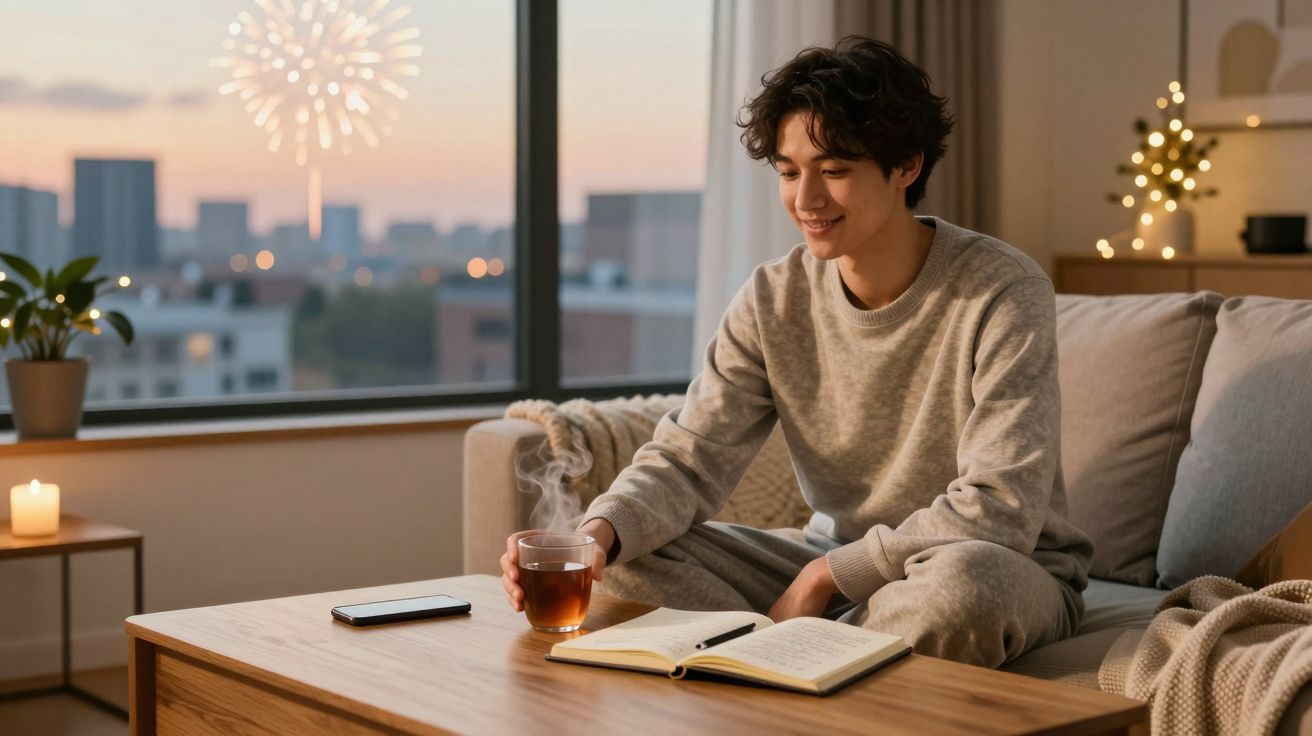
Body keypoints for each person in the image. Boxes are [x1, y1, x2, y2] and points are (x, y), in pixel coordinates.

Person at [500, 36, 1094, 667]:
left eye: (833, 171)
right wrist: (593, 538)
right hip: (828, 555)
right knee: (627, 557)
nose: (805, 200)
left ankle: (790, 653)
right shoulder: (771, 297)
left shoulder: (1002, 289)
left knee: (960, 592)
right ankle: (816, 655)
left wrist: (824, 580)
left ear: (907, 166)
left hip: (991, 565)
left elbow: (1000, 510)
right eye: (789, 172)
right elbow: (689, 458)